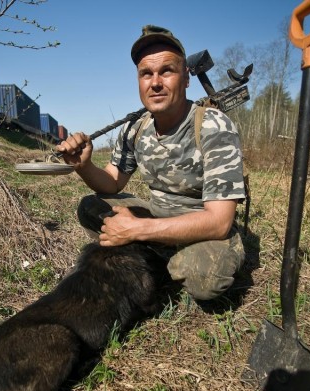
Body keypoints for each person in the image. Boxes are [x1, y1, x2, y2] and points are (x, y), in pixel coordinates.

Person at [57, 25, 247, 301]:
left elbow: (219, 222)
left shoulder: (213, 126)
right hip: (157, 216)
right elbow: (112, 182)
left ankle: (152, 256)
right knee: (90, 206)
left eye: (166, 71)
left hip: (201, 229)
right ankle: (158, 253)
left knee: (206, 281)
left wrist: (137, 229)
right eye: (146, 73)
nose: (155, 82)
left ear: (185, 78)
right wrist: (84, 166)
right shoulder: (135, 127)